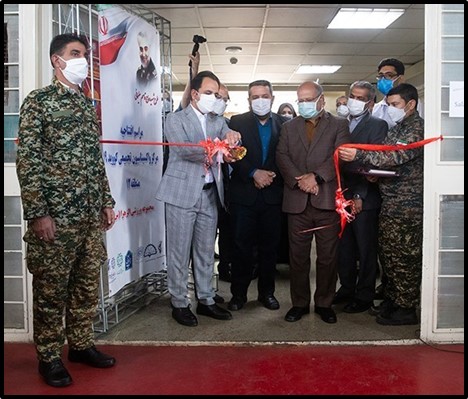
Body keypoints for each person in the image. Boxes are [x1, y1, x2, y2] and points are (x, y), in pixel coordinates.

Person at [16, 33, 116, 388]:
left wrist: (106, 200)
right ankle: (47, 355)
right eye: (76, 54)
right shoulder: (39, 102)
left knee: (86, 286)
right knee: (51, 290)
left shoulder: (85, 105)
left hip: (89, 216)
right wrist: (39, 213)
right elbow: (27, 161)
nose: (83, 61)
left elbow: (95, 161)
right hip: (56, 218)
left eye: (85, 54)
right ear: (56, 60)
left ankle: (81, 344)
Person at [156, 70, 241, 327]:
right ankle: (179, 302)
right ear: (194, 94)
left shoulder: (217, 120)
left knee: (205, 251)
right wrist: (217, 147)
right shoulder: (175, 119)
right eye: (208, 93)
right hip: (182, 194)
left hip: (209, 194)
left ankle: (206, 299)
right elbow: (185, 151)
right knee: (179, 252)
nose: (213, 98)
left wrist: (233, 139)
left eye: (216, 94)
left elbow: (232, 139)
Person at [338, 83, 424, 326]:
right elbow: (387, 159)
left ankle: (405, 308)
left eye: (395, 105)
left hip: (407, 205)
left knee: (404, 257)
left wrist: (360, 156)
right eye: (389, 105)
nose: (391, 109)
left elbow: (394, 155)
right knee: (390, 256)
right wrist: (376, 172)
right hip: (392, 201)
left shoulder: (415, 129)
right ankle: (393, 300)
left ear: (411, 104)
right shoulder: (399, 127)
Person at [276, 81, 350, 324]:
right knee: (298, 257)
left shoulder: (339, 125)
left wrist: (316, 177)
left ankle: (324, 303)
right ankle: (299, 303)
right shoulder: (289, 127)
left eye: (308, 100)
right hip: (297, 201)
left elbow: (340, 155)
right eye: (300, 100)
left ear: (320, 100)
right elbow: (282, 156)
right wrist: (301, 181)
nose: (303, 104)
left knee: (328, 257)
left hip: (326, 200)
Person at [227, 80, 286, 312]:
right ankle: (238, 295)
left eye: (264, 96)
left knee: (270, 248)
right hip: (244, 194)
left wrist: (270, 175)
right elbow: (233, 154)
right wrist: (253, 172)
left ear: (272, 98)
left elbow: (288, 155)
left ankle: (267, 293)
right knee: (241, 247)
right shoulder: (237, 122)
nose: (260, 100)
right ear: (249, 100)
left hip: (273, 194)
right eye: (255, 97)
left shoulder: (284, 124)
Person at [334, 81, 388, 313]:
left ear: (370, 102)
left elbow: (371, 163)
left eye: (360, 98)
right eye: (352, 96)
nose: (353, 101)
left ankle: (364, 294)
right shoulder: (339, 123)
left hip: (364, 197)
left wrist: (359, 195)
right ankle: (346, 287)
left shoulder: (377, 125)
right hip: (340, 196)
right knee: (343, 247)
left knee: (365, 248)